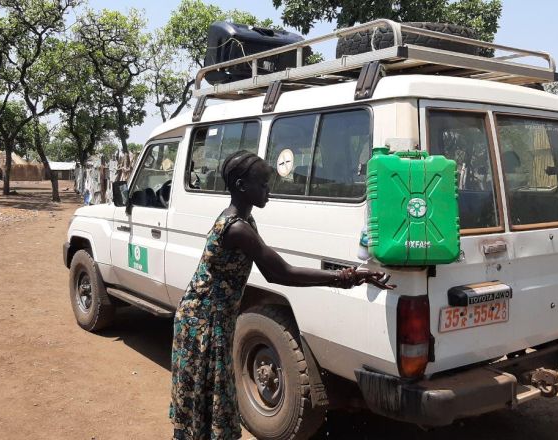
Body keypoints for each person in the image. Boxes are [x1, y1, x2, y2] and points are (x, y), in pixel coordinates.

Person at [169, 150, 395, 440]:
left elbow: (276, 269)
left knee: (211, 400)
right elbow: (281, 273)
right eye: (262, 185)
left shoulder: (244, 222)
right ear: (241, 186)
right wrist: (347, 277)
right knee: (204, 401)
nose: (268, 191)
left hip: (213, 320)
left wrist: (349, 275)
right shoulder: (236, 228)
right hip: (202, 324)